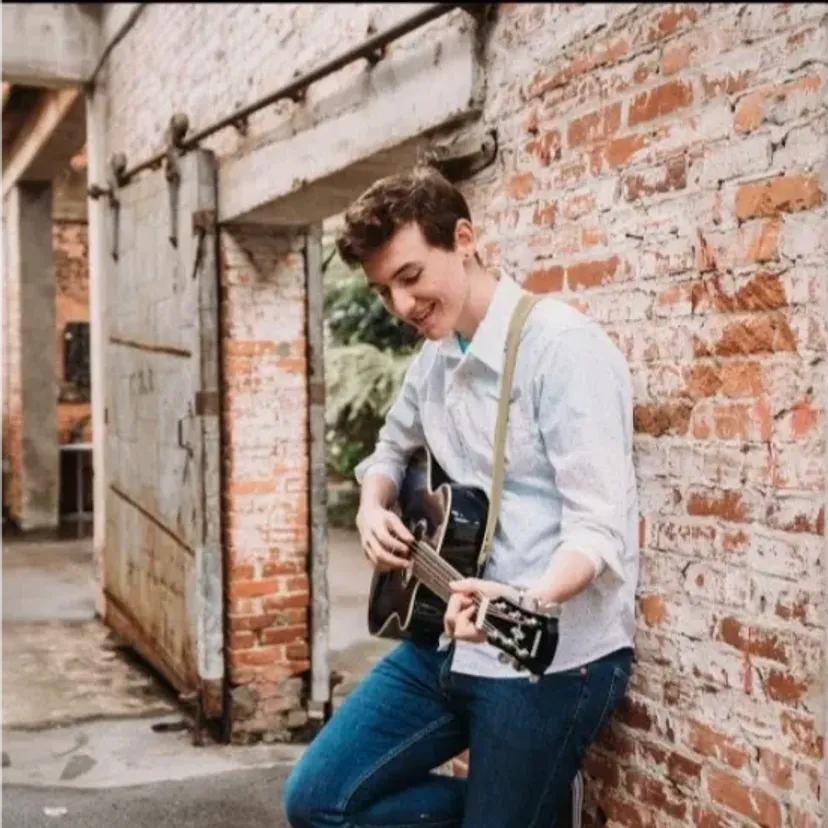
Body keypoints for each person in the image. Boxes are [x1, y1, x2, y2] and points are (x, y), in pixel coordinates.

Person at [283, 165, 639, 827]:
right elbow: (388, 450)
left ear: (464, 239)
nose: (401, 306)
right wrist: (372, 506)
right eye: (384, 290)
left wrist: (527, 599)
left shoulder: (562, 350)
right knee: (317, 801)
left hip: (551, 655)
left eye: (411, 276)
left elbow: (598, 530)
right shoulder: (435, 360)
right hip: (445, 640)